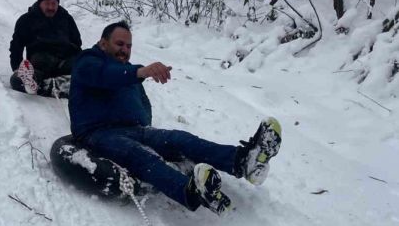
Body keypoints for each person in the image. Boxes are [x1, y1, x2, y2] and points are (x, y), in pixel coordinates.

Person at [68, 21, 282, 215]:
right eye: (120, 44)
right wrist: (140, 72)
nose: (125, 50)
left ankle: (244, 161)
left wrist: (148, 130)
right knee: (138, 154)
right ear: (103, 43)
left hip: (133, 129)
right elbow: (104, 75)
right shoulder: (87, 61)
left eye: (129, 46)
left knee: (180, 138)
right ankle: (190, 191)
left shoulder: (127, 72)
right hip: (96, 132)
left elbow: (142, 105)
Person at [9, 0, 82, 96]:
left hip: (64, 63)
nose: (51, 7)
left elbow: (77, 43)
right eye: (47, 4)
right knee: (17, 80)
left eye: (54, 4)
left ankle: (54, 85)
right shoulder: (27, 20)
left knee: (86, 64)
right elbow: (16, 46)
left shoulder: (66, 19)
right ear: (40, 3)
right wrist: (18, 69)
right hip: (41, 65)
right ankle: (56, 86)